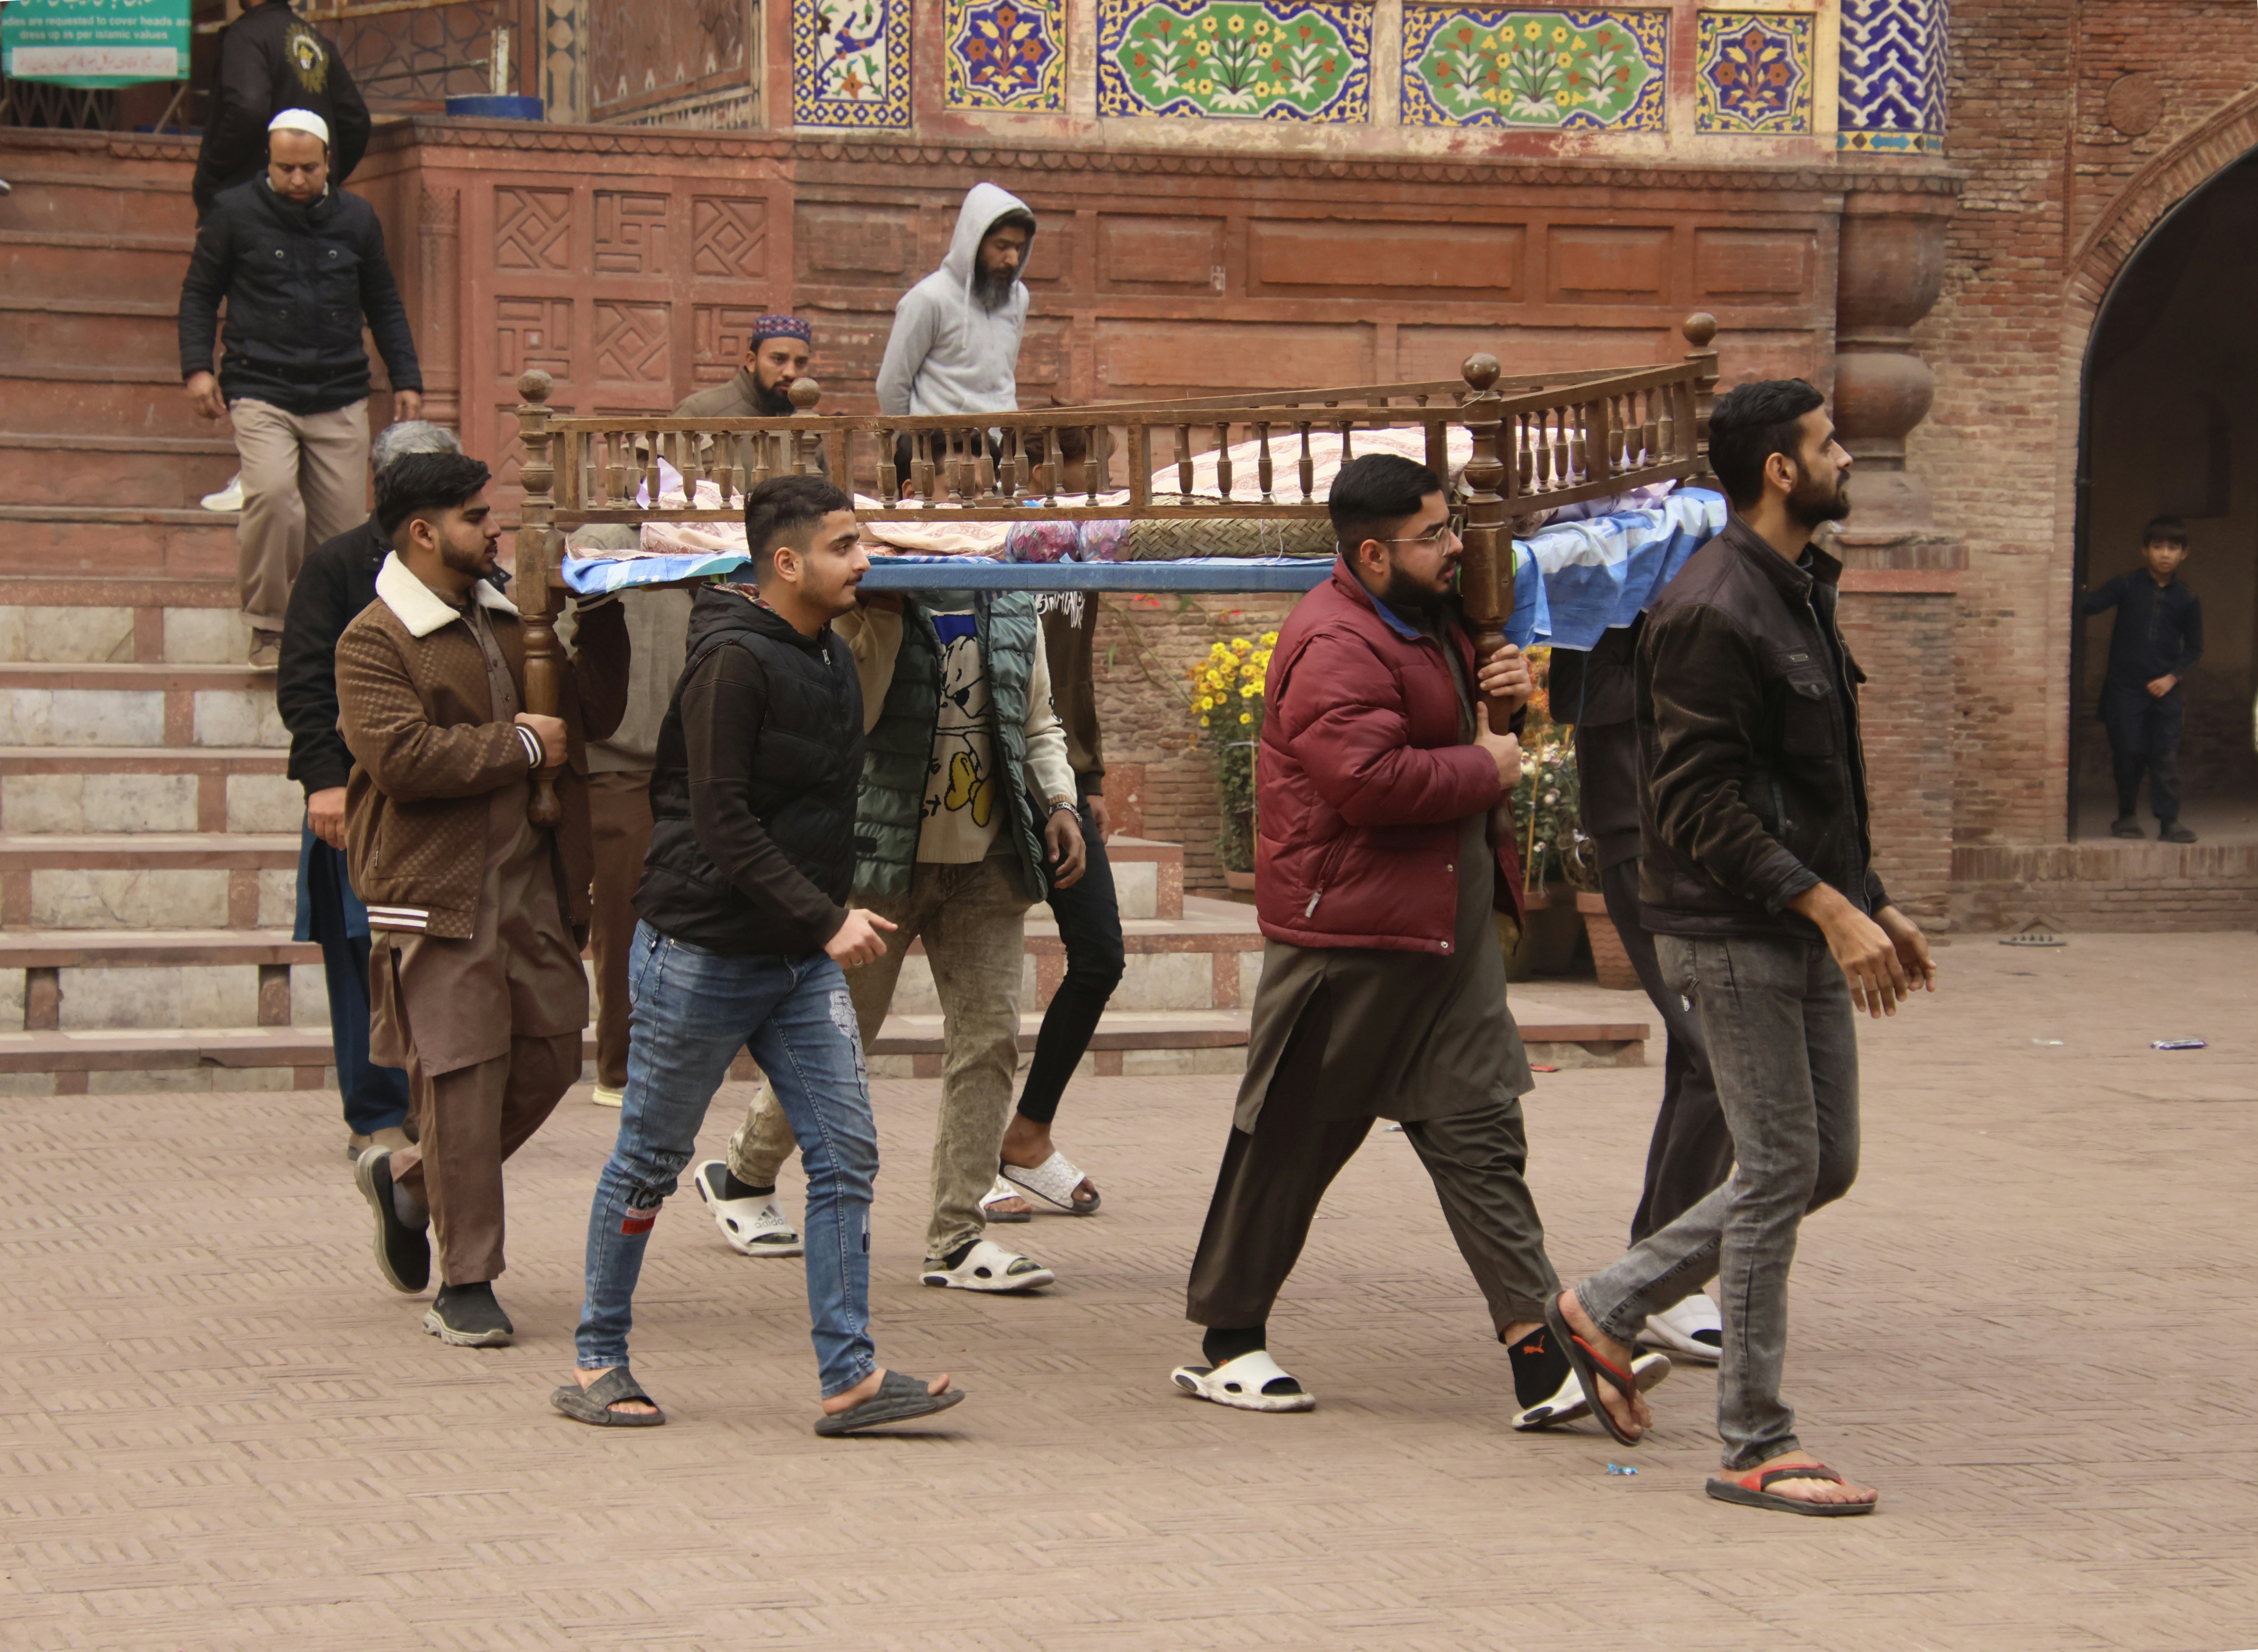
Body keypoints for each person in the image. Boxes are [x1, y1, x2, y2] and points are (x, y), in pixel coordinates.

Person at [1170, 454, 1666, 1424]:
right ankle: (1226, 1342)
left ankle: (1539, 1358)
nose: (1454, 548)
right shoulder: (1332, 641)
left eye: (1449, 529)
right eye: (1432, 534)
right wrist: (1485, 764)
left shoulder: (1431, 621)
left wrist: (1506, 695)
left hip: (1445, 932)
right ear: (1370, 551)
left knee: (1482, 1132)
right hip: (1348, 934)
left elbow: (1462, 732)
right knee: (1289, 1141)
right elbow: (1369, 783)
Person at [1548, 379, 1936, 1518]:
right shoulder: (1714, 604)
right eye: (1827, 443)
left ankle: (1608, 1304)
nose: (1847, 458)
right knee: (1776, 1169)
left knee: (1825, 1161)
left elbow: (1814, 781)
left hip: (1800, 919)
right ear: (1780, 468)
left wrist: (1874, 898)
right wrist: (1827, 904)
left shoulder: (1798, 587)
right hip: (1731, 931)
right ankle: (1757, 1439)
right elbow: (1698, 804)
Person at [557, 476, 964, 1434]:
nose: (864, 560)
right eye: (844, 545)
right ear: (785, 563)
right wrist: (825, 917)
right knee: (649, 1160)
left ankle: (850, 1377)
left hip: (794, 958)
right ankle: (596, 1359)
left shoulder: (825, 653)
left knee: (844, 1154)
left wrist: (819, 918)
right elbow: (719, 819)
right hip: (699, 952)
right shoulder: (730, 663)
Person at [695, 577, 1087, 1293]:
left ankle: (958, 1236)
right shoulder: (859, 601)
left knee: (989, 1037)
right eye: (948, 475)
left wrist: (1058, 799)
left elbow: (1037, 721)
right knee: (842, 1032)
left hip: (990, 859)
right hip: (882, 861)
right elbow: (854, 720)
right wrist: (876, 619)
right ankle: (744, 1172)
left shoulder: (1009, 601)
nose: (971, 498)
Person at [340, 452, 628, 1349]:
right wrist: (519, 749)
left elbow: (594, 716)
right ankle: (467, 1279)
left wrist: (604, 609)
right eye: (474, 516)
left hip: (533, 885)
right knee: (464, 1077)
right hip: (436, 891)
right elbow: (405, 762)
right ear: (423, 532)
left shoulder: (510, 617)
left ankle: (414, 1183)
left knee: (546, 1058)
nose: (492, 528)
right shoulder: (372, 638)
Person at [574, 314, 826, 1109]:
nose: (788, 372)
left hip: (717, 719)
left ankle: (688, 1056)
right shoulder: (629, 537)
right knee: (622, 904)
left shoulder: (807, 443)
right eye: (777, 359)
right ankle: (618, 1063)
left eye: (799, 361)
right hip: (635, 734)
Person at [276, 418, 462, 1159]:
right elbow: (305, 681)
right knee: (361, 954)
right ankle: (376, 1113)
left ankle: (436, 1100)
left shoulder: (471, 568)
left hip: (443, 798)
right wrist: (324, 782)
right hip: (357, 796)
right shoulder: (336, 566)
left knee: (438, 956)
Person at [1546, 632, 1732, 1368]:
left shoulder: (1761, 566)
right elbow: (1577, 691)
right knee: (1716, 1051)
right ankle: (1662, 1275)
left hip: (1731, 836)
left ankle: (1661, 1263)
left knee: (1713, 1056)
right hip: (1646, 829)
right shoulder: (1625, 545)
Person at [179, 110, 422, 669]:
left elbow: (382, 302)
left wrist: (406, 378)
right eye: (284, 167)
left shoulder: (358, 218)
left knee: (342, 530)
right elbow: (199, 294)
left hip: (340, 391)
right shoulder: (234, 214)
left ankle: (334, 635)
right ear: (269, 161)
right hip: (261, 386)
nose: (295, 179)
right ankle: (268, 625)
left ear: (328, 163)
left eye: (307, 168)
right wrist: (197, 368)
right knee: (271, 498)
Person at [982, 592, 1120, 1221]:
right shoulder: (970, 535)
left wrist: (1086, 779)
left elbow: (1071, 667)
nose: (1107, 485)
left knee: (1100, 957)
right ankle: (969, 1156)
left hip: (1055, 773)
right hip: (976, 776)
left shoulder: (1077, 545)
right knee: (977, 982)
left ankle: (1028, 1135)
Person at [874, 183, 1035, 481]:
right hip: (939, 463)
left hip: (1001, 455)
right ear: (972, 243)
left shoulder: (1017, 297)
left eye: (1018, 248)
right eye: (1002, 247)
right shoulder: (927, 299)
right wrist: (918, 447)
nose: (1012, 259)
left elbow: (1003, 373)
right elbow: (891, 385)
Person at [2080, 517, 2202, 843]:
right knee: (2129, 752)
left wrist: (2171, 678)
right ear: (2145, 550)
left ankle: (2169, 823)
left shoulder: (2187, 598)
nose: (2165, 554)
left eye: (2173, 548)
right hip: (2124, 688)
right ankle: (2126, 816)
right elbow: (2089, 606)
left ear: (2184, 553)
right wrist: (2070, 581)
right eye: (2158, 546)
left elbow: (2194, 647)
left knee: (2165, 755)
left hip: (2165, 690)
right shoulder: (2126, 585)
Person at [191, 0, 370, 220]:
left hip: (254, 212)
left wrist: (211, 173)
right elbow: (356, 122)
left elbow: (248, 110)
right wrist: (316, 177)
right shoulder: (316, 40)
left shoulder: (246, 35)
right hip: (314, 215)